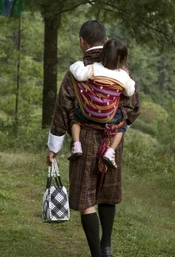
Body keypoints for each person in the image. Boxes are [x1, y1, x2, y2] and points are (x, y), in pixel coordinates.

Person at [46, 21, 140, 257]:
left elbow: (62, 109)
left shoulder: (78, 71)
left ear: (82, 41)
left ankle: (97, 254)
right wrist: (118, 124)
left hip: (84, 138)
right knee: (107, 193)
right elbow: (134, 106)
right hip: (112, 140)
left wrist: (54, 147)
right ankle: (106, 246)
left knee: (87, 196)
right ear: (106, 39)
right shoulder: (122, 70)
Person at [68, 39, 136, 169]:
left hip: (88, 112)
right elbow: (129, 92)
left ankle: (77, 145)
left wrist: (77, 64)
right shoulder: (123, 76)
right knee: (121, 127)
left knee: (74, 119)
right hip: (109, 116)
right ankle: (110, 152)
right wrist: (127, 76)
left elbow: (78, 73)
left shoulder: (93, 69)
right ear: (123, 60)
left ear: (102, 54)